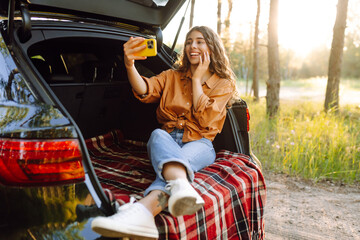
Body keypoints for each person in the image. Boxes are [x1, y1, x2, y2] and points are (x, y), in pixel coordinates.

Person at [91, 26, 237, 239]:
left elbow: (206, 118)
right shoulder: (171, 76)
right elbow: (144, 89)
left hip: (200, 144)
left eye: (199, 41)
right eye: (188, 42)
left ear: (212, 48)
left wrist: (196, 80)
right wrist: (130, 64)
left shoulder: (224, 84)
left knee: (177, 162)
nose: (192, 46)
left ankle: (142, 211)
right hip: (166, 139)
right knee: (157, 135)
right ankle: (180, 187)